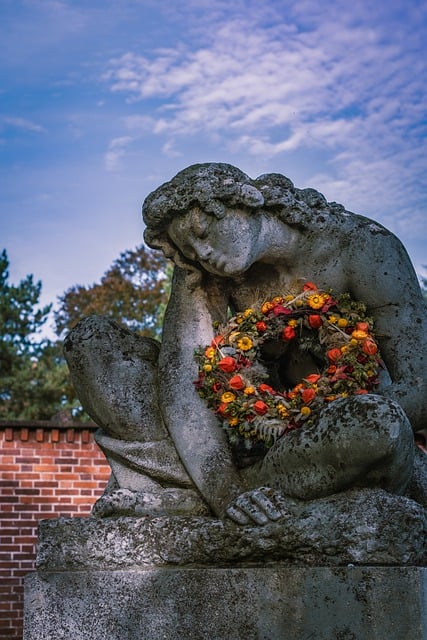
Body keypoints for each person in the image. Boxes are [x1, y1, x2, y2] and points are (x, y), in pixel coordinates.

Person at [65, 163, 426, 524]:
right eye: (188, 249)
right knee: (92, 344)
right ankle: (224, 491)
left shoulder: (363, 248)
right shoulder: (206, 271)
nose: (201, 253)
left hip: (331, 433)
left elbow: (420, 386)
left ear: (245, 202)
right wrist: (227, 494)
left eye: (203, 232)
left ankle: (197, 495)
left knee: (378, 425)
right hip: (236, 436)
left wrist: (292, 426)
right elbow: (182, 385)